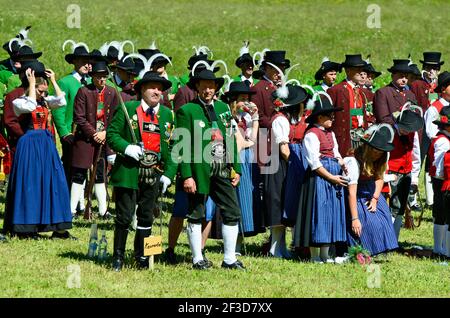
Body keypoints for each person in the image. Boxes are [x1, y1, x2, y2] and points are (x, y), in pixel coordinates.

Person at [173, 68, 243, 270]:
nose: (208, 90)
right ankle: (197, 258)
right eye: (204, 86)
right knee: (197, 213)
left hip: (222, 168)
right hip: (199, 171)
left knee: (232, 211)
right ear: (197, 87)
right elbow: (182, 146)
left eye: (211, 86)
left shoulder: (223, 109)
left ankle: (229, 259)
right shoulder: (187, 111)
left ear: (216, 88)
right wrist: (187, 175)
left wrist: (236, 168)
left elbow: (231, 140)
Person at [107, 71, 177, 271]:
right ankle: (118, 257)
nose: (157, 91)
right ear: (142, 90)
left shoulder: (166, 114)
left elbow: (171, 146)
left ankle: (143, 257)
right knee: (124, 216)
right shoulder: (128, 108)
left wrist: (168, 175)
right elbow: (111, 135)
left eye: (160, 88)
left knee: (147, 216)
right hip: (129, 171)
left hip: (153, 173)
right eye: (152, 87)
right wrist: (127, 148)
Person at [3, 60, 74, 239]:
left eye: (44, 90)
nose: (43, 93)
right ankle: (26, 227)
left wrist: (54, 81)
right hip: (29, 144)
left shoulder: (45, 100)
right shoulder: (20, 101)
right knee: (30, 184)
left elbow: (62, 101)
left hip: (45, 144)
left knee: (54, 182)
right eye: (40, 90)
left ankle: (57, 226)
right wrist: (32, 85)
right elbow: (30, 106)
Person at [294, 94, 348, 263]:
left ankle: (325, 254)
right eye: (329, 115)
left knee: (331, 214)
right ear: (319, 117)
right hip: (319, 179)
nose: (333, 117)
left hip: (333, 178)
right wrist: (332, 177)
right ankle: (315, 255)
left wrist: (341, 162)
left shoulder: (330, 133)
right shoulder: (311, 134)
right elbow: (314, 163)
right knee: (319, 214)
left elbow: (336, 152)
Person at [265, 84, 309, 258]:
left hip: (285, 164)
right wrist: (295, 164)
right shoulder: (280, 120)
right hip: (278, 164)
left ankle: (281, 247)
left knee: (284, 204)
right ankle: (275, 249)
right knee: (278, 203)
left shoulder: (287, 120)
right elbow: (284, 149)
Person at [52, 43, 95, 216]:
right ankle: (66, 203)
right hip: (72, 133)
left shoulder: (92, 82)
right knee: (70, 168)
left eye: (89, 62)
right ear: (75, 62)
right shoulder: (65, 82)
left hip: (90, 132)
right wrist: (64, 132)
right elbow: (58, 110)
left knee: (86, 169)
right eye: (83, 61)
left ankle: (81, 204)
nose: (87, 65)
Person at [71, 61, 118, 219]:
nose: (102, 80)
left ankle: (103, 210)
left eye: (104, 77)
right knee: (79, 173)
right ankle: (71, 209)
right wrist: (94, 134)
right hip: (85, 138)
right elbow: (79, 118)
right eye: (99, 77)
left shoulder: (112, 93)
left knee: (100, 175)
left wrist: (105, 133)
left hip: (104, 138)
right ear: (92, 77)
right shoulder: (83, 91)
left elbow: (115, 118)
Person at [344, 124, 398, 256]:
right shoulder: (354, 160)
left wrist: (375, 198)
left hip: (370, 191)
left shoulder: (380, 158)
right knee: (367, 221)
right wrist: (355, 218)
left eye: (380, 153)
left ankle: (383, 247)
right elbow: (351, 192)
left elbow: (379, 177)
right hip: (356, 194)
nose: (377, 155)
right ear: (368, 148)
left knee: (384, 214)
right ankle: (366, 250)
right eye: (375, 151)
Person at [222, 81, 263, 254]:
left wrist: (255, 118)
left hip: (247, 159)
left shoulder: (243, 119)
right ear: (233, 101)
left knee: (246, 199)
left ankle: (239, 240)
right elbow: (240, 144)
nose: (246, 102)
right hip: (236, 159)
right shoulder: (229, 119)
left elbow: (253, 139)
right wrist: (249, 142)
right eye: (242, 99)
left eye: (247, 98)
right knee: (237, 199)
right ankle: (234, 244)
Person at [383, 105, 423, 240]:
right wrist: (386, 176)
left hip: (407, 172)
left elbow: (416, 155)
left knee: (401, 207)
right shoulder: (389, 133)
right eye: (405, 128)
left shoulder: (413, 133)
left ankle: (395, 239)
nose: (407, 131)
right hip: (392, 172)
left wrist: (415, 178)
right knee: (393, 207)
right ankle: (388, 239)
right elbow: (383, 157)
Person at [328, 54, 374, 156]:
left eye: (362, 70)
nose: (361, 73)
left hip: (362, 137)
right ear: (348, 71)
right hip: (345, 138)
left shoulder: (363, 92)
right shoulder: (336, 90)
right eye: (357, 70)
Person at [428, 106, 450, 257]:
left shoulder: (442, 138)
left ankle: (440, 247)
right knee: (443, 215)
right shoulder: (443, 141)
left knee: (442, 214)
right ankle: (439, 248)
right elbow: (439, 165)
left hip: (440, 180)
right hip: (442, 181)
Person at [373, 59, 417, 126]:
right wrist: (400, 127)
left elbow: (415, 113)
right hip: (392, 132)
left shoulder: (410, 94)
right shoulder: (383, 93)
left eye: (406, 77)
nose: (404, 80)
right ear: (392, 76)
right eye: (401, 76)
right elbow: (382, 118)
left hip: (409, 132)